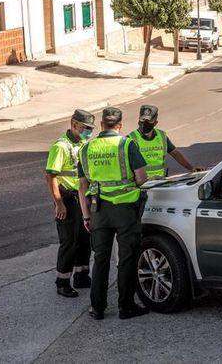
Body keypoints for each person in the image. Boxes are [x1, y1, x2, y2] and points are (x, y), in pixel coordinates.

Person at [78, 107, 150, 320]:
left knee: (100, 259)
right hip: (126, 210)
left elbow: (82, 186)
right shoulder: (126, 144)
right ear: (119, 125)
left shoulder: (86, 148)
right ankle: (125, 307)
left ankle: (97, 308)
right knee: (126, 259)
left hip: (98, 210)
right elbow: (142, 178)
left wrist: (85, 216)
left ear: (101, 125)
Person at [45, 109, 95, 298]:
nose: (88, 132)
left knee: (84, 240)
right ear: (74, 124)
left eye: (90, 128)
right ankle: (63, 281)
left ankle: (82, 276)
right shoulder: (61, 146)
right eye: (85, 128)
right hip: (67, 199)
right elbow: (50, 176)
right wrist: (59, 204)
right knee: (69, 242)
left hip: (82, 198)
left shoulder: (83, 143)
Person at [128, 105, 203, 179]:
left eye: (149, 121)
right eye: (143, 120)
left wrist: (191, 168)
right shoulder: (131, 138)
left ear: (155, 123)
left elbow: (176, 154)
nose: (145, 123)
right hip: (142, 184)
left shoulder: (161, 136)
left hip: (161, 181)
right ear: (138, 120)